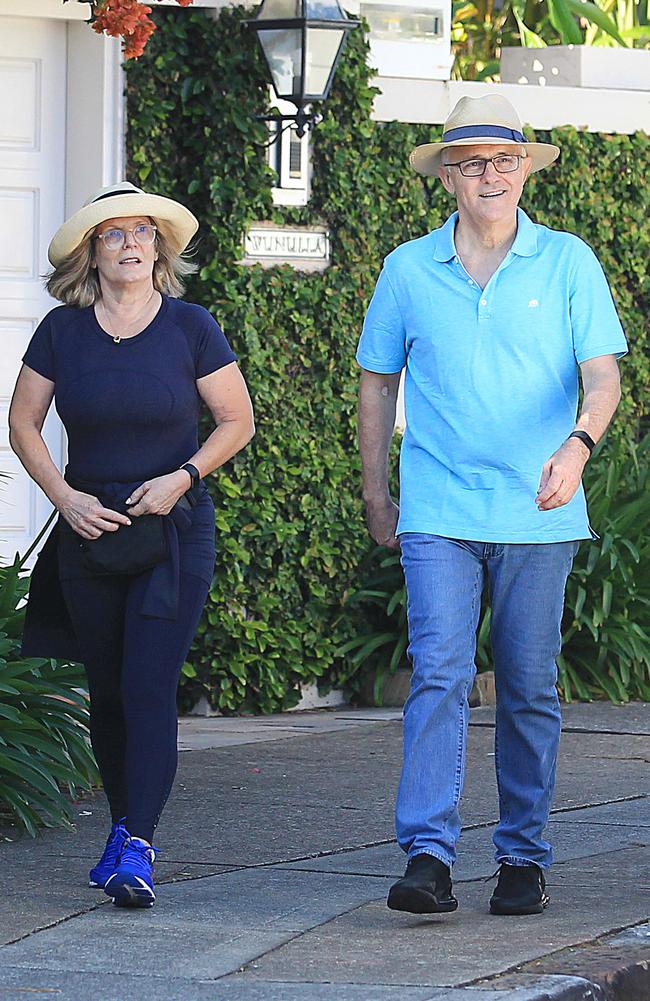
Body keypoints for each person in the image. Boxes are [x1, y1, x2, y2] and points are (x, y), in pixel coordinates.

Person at [356, 96, 626, 917]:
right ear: (447, 177)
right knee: (438, 672)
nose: (490, 175)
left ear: (524, 170)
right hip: (438, 505)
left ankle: (522, 855)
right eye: (471, 162)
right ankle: (429, 854)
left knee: (530, 683)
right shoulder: (407, 269)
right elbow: (377, 381)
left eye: (504, 161)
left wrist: (577, 446)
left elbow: (604, 376)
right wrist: (376, 489)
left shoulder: (568, 260)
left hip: (538, 512)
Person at [9, 182, 255, 909]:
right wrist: (64, 497)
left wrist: (182, 478)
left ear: (159, 248)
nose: (129, 244)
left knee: (148, 685)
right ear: (93, 251)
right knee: (109, 692)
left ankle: (138, 845)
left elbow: (236, 420)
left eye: (141, 231)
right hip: (89, 530)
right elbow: (24, 424)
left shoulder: (190, 327)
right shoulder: (62, 332)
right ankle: (121, 828)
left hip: (171, 531)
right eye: (113, 234)